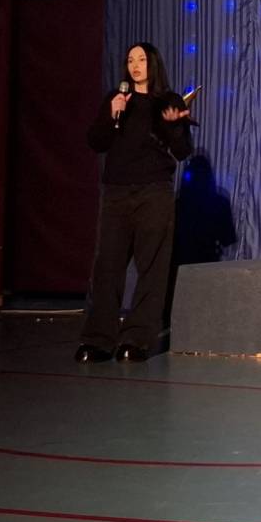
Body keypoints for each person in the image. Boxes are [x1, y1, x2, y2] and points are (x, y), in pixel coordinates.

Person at [75, 43, 193, 363]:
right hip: (116, 193)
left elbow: (183, 151)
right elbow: (96, 142)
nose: (135, 65)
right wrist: (111, 113)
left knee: (151, 268)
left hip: (154, 193)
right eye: (130, 60)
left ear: (153, 64)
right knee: (107, 267)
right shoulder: (118, 98)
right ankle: (98, 339)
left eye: (141, 59)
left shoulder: (168, 102)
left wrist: (174, 124)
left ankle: (137, 339)